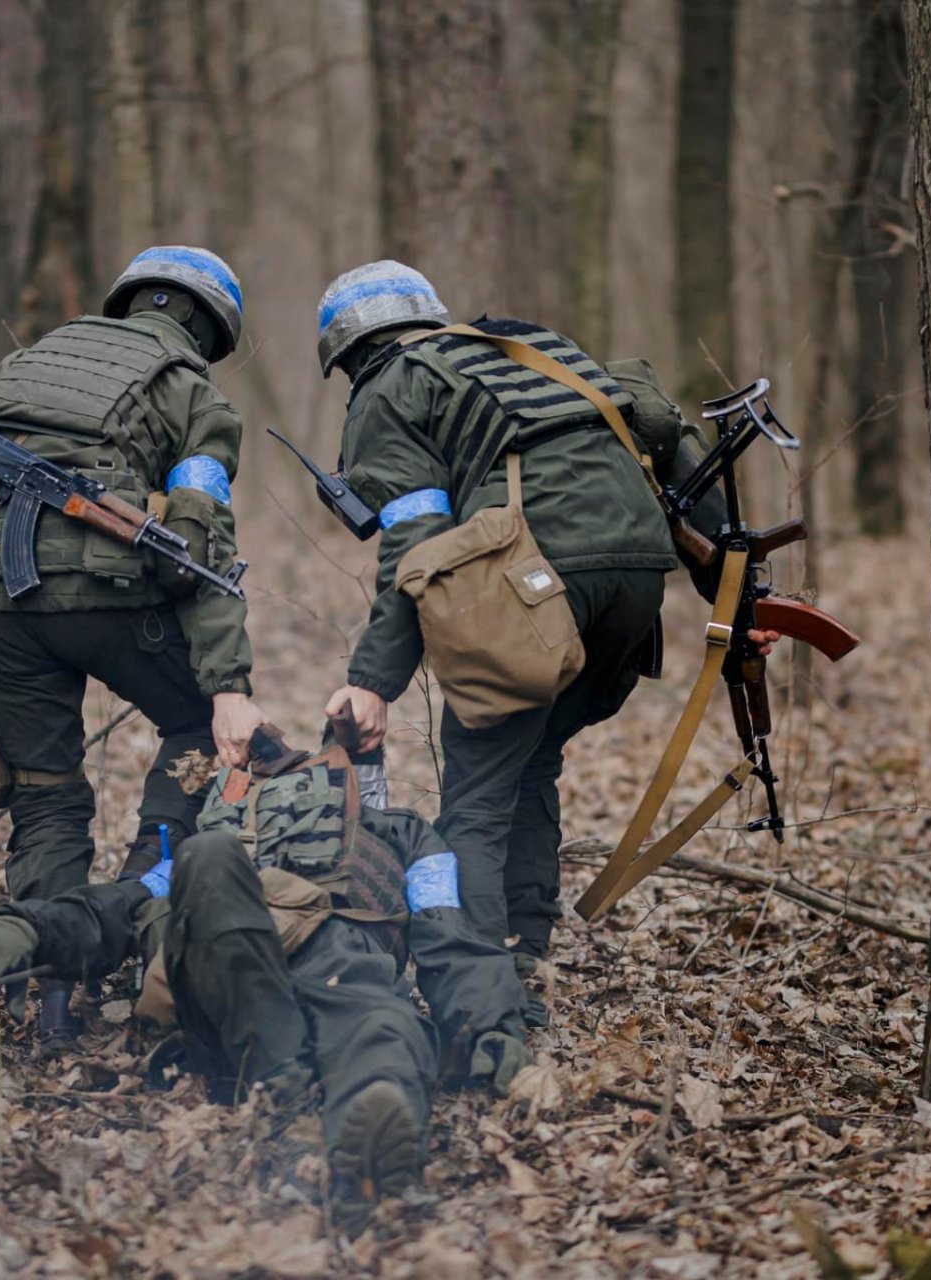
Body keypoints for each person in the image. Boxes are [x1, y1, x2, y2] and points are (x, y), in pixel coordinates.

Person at [310, 261, 773, 987]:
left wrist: (372, 682)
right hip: (636, 581)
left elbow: (413, 540)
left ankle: (475, 987)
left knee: (479, 785)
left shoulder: (393, 386)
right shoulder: (536, 348)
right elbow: (677, 464)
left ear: (352, 354)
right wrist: (740, 602)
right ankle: (524, 949)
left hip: (538, 583)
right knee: (528, 759)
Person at [0, 246, 268, 1032]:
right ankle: (145, 903)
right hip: (115, 608)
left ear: (130, 300)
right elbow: (200, 532)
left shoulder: (20, 368)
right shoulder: (192, 394)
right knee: (190, 726)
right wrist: (228, 685)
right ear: (209, 332)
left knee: (44, 793)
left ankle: (48, 990)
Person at [0, 725, 530, 1220]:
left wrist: (491, 1026)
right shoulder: (210, 847)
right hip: (230, 974)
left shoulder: (406, 835)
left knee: (384, 1025)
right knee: (206, 857)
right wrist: (29, 927)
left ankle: (370, 1143)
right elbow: (123, 905)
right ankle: (286, 1086)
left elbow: (450, 934)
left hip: (343, 959)